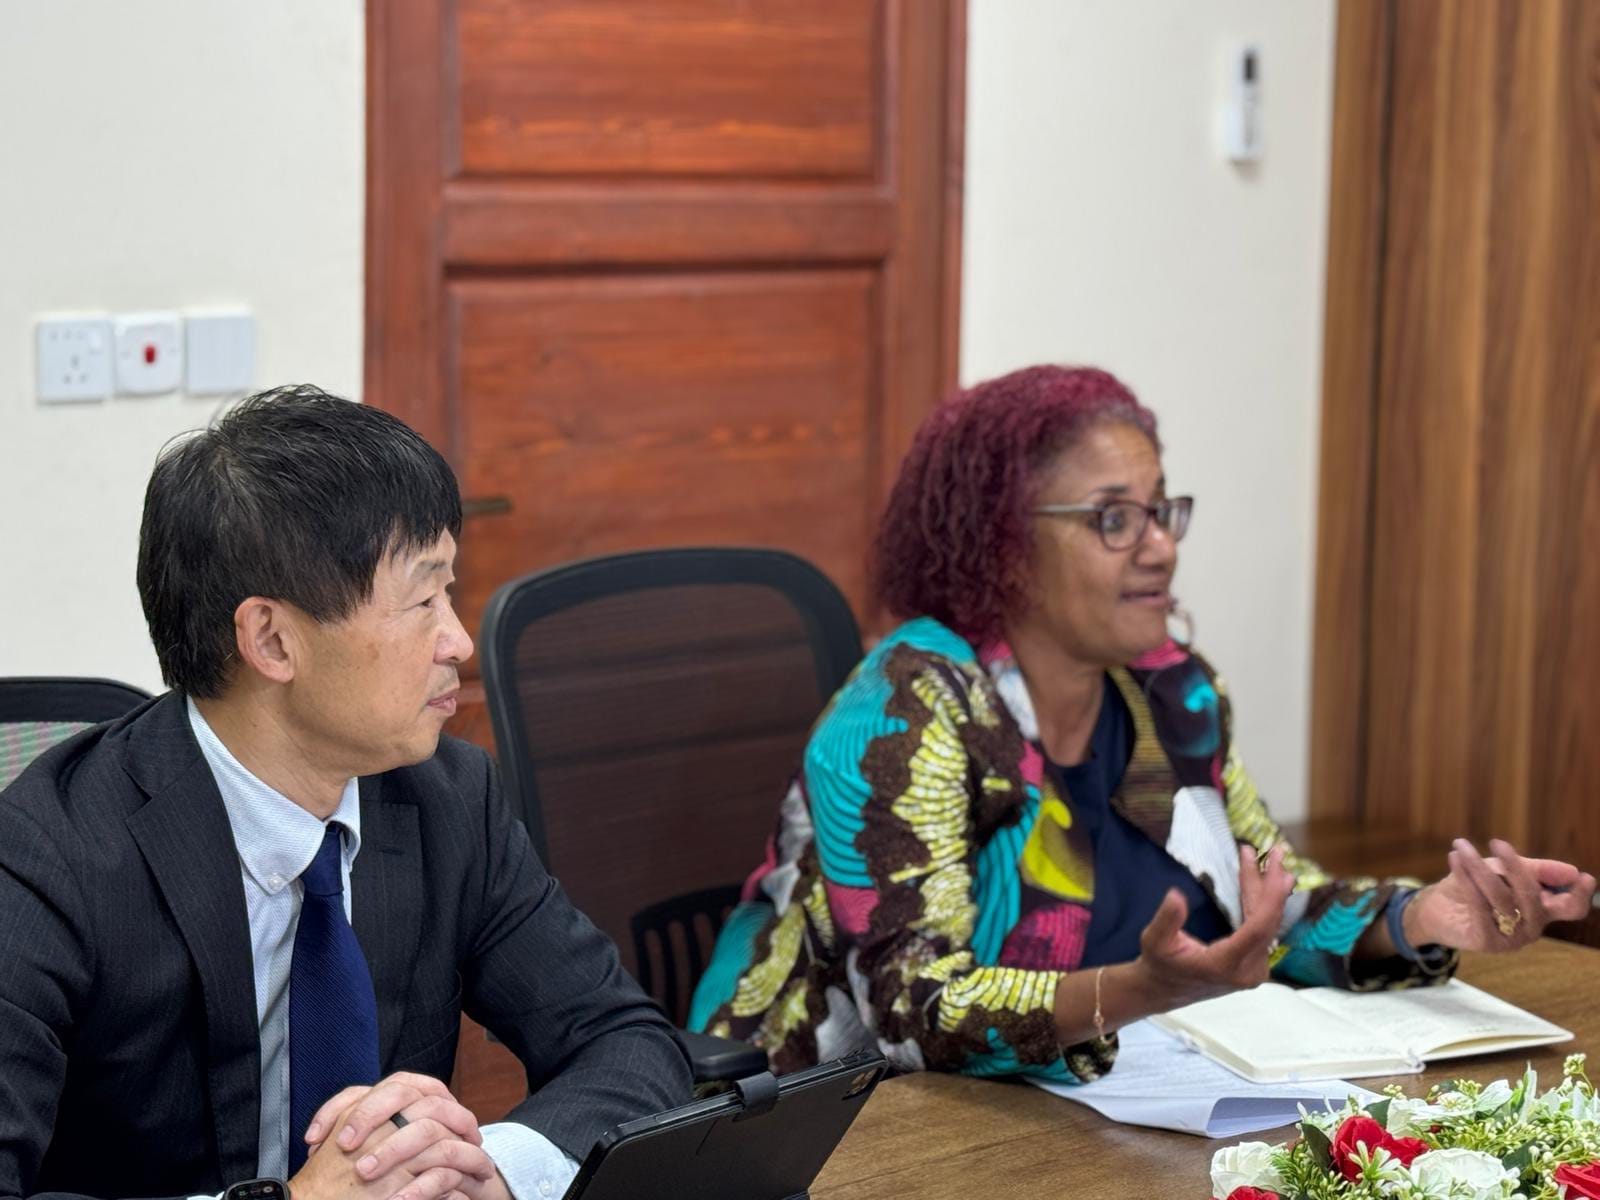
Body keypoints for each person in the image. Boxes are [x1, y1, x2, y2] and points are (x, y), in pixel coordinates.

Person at [688, 364, 1596, 1082]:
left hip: (1099, 1114)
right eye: (1113, 519)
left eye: (1159, 512)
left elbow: (1271, 907)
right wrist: (1136, 991)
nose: (1160, 546)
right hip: (835, 1132)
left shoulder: (1173, 695)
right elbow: (913, 1015)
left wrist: (1420, 917)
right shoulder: (903, 715)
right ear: (1003, 547)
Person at [0, 385, 692, 1200]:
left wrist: (492, 1170)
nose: (459, 641)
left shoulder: (449, 797)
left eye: (449, 592)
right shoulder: (46, 859)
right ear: (271, 640)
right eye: (422, 600)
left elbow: (625, 1042)